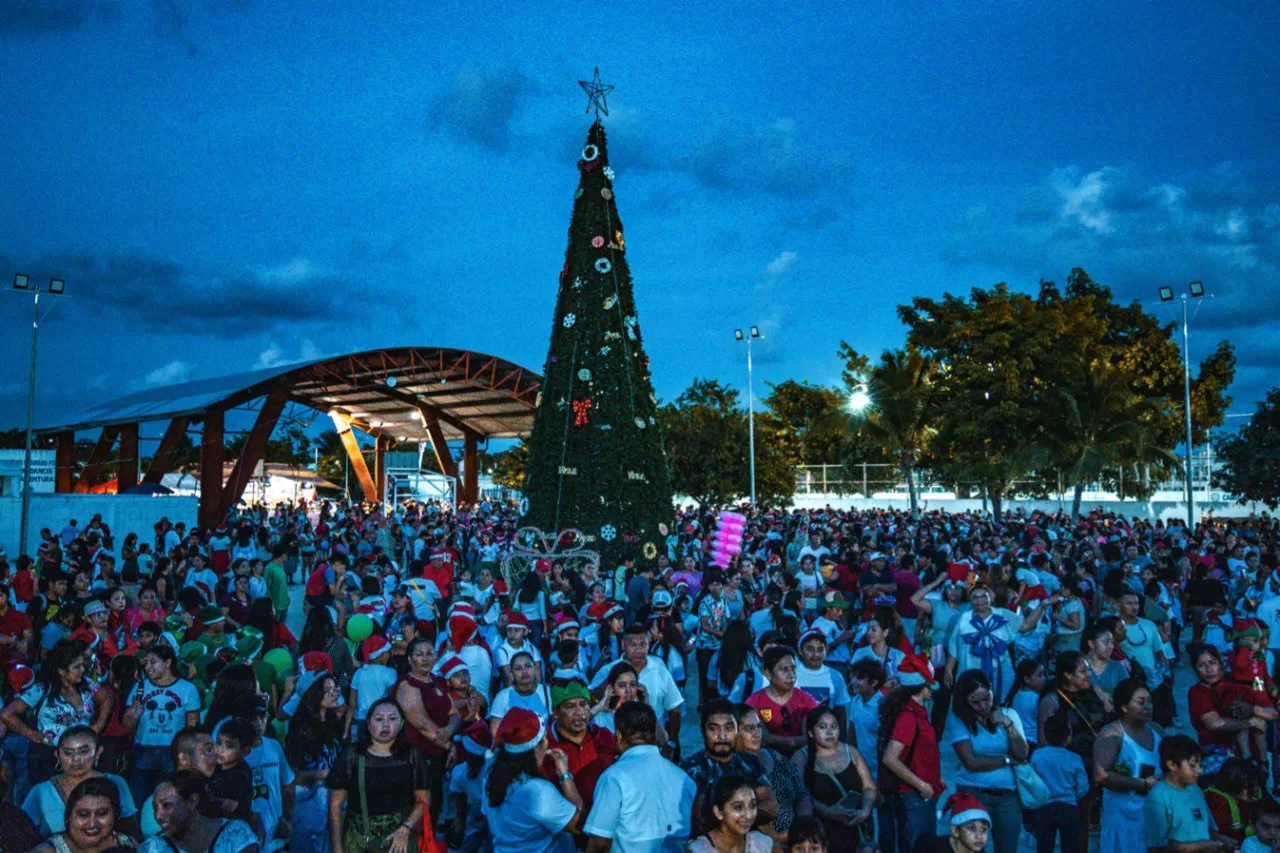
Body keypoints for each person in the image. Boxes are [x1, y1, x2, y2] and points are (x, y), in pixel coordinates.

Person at [583, 700, 696, 852]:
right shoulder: (685, 779)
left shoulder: (614, 778)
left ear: (619, 736)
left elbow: (599, 843)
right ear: (654, 733)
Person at [326, 698, 430, 853]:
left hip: (400, 839)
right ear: (368, 724)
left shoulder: (411, 754)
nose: (386, 724)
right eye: (379, 719)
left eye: (393, 719)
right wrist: (337, 847)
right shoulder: (352, 755)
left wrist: (407, 827)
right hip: (359, 839)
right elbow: (335, 805)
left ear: (401, 724)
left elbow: (423, 798)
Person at [1, 639, 109, 785]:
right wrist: (30, 733)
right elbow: (7, 714)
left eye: (82, 665)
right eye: (77, 667)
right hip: (48, 758)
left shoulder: (86, 685)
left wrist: (99, 724)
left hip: (83, 756)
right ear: (61, 672)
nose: (82, 670)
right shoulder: (42, 690)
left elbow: (107, 699)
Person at [945, 668, 1028, 853]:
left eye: (986, 699)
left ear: (992, 690)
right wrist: (1007, 759)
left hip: (1007, 795)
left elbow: (1022, 754)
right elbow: (970, 762)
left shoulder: (1009, 714)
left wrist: (1007, 724)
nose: (983, 706)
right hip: (973, 792)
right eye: (975, 702)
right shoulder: (959, 720)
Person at [481, 706, 584, 853]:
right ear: (536, 748)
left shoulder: (490, 778)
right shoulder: (538, 791)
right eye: (545, 739)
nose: (548, 743)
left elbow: (489, 820)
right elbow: (578, 823)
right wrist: (564, 772)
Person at [680, 699, 778, 839]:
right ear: (702, 730)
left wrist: (727, 817)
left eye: (729, 728)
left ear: (737, 729)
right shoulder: (690, 769)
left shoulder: (750, 762)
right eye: (713, 728)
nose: (722, 736)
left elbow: (771, 806)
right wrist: (747, 815)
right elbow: (701, 819)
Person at [22, 725, 138, 839]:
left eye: (83, 752)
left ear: (98, 752)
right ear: (57, 755)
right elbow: (24, 833)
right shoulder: (41, 792)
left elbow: (130, 831)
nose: (76, 759)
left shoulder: (116, 783)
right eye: (68, 753)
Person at [878, 653, 943, 853]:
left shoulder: (917, 710)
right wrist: (921, 784)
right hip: (914, 797)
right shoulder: (909, 715)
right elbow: (890, 758)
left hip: (922, 794)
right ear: (923, 688)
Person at [125, 643, 202, 805]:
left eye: (153, 662)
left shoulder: (188, 689)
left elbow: (192, 727)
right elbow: (127, 726)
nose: (148, 667)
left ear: (167, 663)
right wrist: (133, 714)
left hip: (172, 752)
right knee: (137, 801)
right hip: (143, 751)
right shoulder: (139, 688)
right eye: (146, 663)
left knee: (170, 800)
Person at [1094, 678, 1163, 853]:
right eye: (1141, 702)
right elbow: (1101, 775)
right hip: (1123, 820)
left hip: (1152, 816)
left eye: (1150, 701)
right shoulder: (1111, 734)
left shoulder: (1157, 730)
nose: (1148, 706)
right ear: (1124, 707)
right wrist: (1142, 784)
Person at [394, 636, 462, 813]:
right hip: (417, 758)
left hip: (438, 756)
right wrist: (449, 745)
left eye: (429, 654)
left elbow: (454, 714)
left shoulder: (438, 681)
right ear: (410, 659)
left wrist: (448, 730)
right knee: (421, 807)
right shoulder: (407, 685)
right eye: (419, 654)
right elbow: (422, 725)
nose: (425, 658)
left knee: (435, 804)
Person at [792, 706, 873, 850]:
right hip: (819, 837)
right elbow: (798, 793)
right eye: (823, 727)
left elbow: (869, 787)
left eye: (834, 726)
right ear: (810, 732)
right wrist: (827, 811)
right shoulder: (801, 757)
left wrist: (865, 811)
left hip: (853, 831)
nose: (829, 732)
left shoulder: (851, 752)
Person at [1187, 646, 1274, 776]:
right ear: (1195, 669)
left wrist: (1252, 708)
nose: (1209, 669)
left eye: (1212, 663)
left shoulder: (1238, 678)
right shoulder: (1198, 692)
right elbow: (1214, 723)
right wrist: (1251, 722)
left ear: (1221, 663)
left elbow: (1271, 710)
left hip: (1256, 756)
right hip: (1222, 762)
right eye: (1201, 665)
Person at [1144, 735, 1238, 853]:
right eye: (1192, 765)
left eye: (1200, 765)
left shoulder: (1195, 789)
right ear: (1172, 765)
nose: (1200, 770)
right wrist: (1198, 847)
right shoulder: (1158, 798)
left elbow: (1206, 830)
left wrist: (1222, 840)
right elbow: (1156, 847)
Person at [733, 703, 810, 843]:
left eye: (759, 727)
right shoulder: (734, 766)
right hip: (761, 841)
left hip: (796, 835)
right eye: (749, 729)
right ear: (734, 732)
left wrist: (804, 826)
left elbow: (802, 793)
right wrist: (778, 838)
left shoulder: (775, 756)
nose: (756, 733)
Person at [140, 770, 260, 853]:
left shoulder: (235, 835)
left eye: (167, 805)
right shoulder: (155, 847)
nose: (158, 815)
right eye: (155, 807)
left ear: (192, 801)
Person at [744, 646, 819, 756]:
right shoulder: (754, 703)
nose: (791, 675)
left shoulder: (807, 701)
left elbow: (814, 739)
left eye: (793, 669)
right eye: (784, 669)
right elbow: (750, 741)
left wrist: (773, 739)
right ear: (768, 674)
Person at [31, 776, 137, 853]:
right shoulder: (50, 850)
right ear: (69, 817)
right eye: (83, 814)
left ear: (115, 814)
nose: (92, 823)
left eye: (102, 813)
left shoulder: (127, 844)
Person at [1029, 716, 1089, 853]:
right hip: (1069, 806)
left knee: (1044, 846)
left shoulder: (1037, 755)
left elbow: (1031, 781)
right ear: (1068, 737)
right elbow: (1083, 787)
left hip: (1044, 806)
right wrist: (1074, 795)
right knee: (1070, 846)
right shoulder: (1074, 758)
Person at [686, 774, 776, 853]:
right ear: (718, 812)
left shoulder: (760, 844)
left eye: (752, 805)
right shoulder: (699, 850)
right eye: (738, 807)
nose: (748, 815)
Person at [911, 793, 993, 853]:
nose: (979, 836)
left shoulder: (977, 848)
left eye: (983, 829)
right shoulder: (936, 849)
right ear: (955, 831)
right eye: (971, 828)